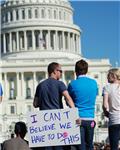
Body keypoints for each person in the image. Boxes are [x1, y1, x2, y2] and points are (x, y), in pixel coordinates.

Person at [33, 62, 75, 150]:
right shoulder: (60, 84)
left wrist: (45, 100)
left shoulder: (40, 85)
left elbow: (35, 104)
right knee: (58, 147)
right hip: (58, 121)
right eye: (60, 71)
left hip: (45, 122)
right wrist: (74, 113)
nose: (61, 73)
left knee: (47, 147)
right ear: (55, 71)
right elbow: (68, 98)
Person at [68, 59, 98, 150]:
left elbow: (68, 100)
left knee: (81, 147)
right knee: (90, 145)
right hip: (91, 119)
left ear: (76, 71)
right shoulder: (94, 83)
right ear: (87, 70)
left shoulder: (72, 84)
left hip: (78, 119)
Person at [103, 68, 120, 150]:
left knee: (114, 147)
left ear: (114, 76)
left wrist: (106, 114)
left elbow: (105, 105)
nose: (107, 77)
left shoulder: (107, 88)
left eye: (108, 75)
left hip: (114, 121)